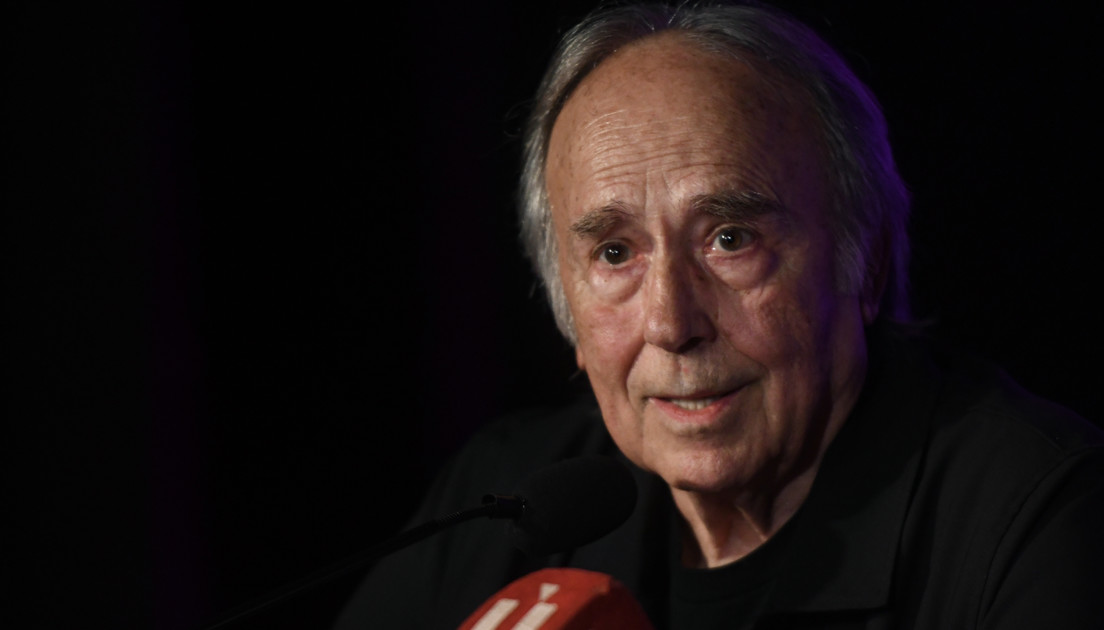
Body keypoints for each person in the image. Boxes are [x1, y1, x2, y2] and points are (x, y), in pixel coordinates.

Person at [336, 2, 1103, 628]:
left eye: (730, 239)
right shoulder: (506, 501)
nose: (672, 324)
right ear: (566, 307)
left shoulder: (1042, 517)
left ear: (864, 261)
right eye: (614, 253)